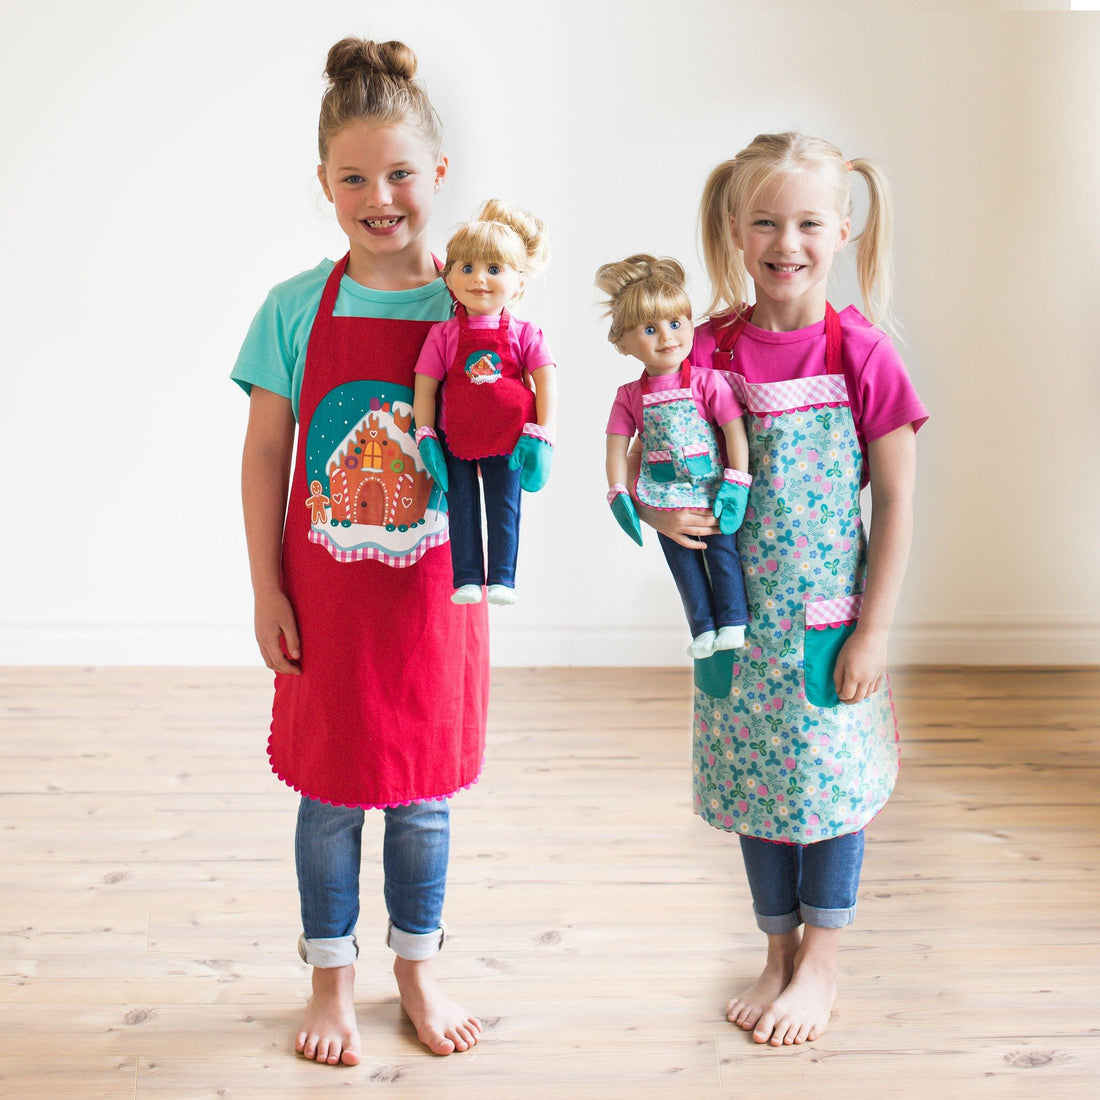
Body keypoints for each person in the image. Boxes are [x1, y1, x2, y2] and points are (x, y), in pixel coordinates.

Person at [638, 132, 928, 1047]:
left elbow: (900, 504)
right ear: (733, 226)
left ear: (843, 229)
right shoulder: (705, 346)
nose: (785, 242)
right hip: (735, 625)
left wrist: (873, 633)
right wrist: (654, 506)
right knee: (755, 788)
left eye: (808, 222)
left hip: (826, 623)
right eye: (764, 222)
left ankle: (823, 965)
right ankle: (776, 950)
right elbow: (662, 458)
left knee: (829, 794)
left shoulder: (864, 355)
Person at [232, 37, 488, 1066]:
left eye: (397, 174)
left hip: (432, 596)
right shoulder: (296, 306)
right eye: (353, 178)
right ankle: (329, 975)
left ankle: (416, 966)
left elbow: (507, 445)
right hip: (326, 600)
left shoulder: (474, 310)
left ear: (437, 177)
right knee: (331, 794)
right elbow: (263, 457)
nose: (377, 196)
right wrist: (266, 589)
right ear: (325, 186)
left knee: (421, 796)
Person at [598, 255, 751, 658]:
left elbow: (734, 430)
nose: (667, 336)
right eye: (650, 329)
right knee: (683, 564)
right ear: (623, 343)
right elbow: (616, 446)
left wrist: (739, 479)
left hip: (712, 488)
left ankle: (732, 621)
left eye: (676, 323)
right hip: (662, 492)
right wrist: (618, 491)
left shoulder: (708, 382)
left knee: (722, 554)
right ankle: (702, 627)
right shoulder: (629, 396)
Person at [413, 199, 557, 606]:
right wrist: (425, 434)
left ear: (520, 282)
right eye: (468, 267)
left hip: (511, 438)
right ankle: (468, 578)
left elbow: (547, 383)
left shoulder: (525, 332)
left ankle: (503, 579)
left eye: (494, 269)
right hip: (454, 437)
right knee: (460, 507)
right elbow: (425, 387)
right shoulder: (444, 335)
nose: (480, 279)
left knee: (504, 507)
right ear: (449, 278)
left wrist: (545, 435)